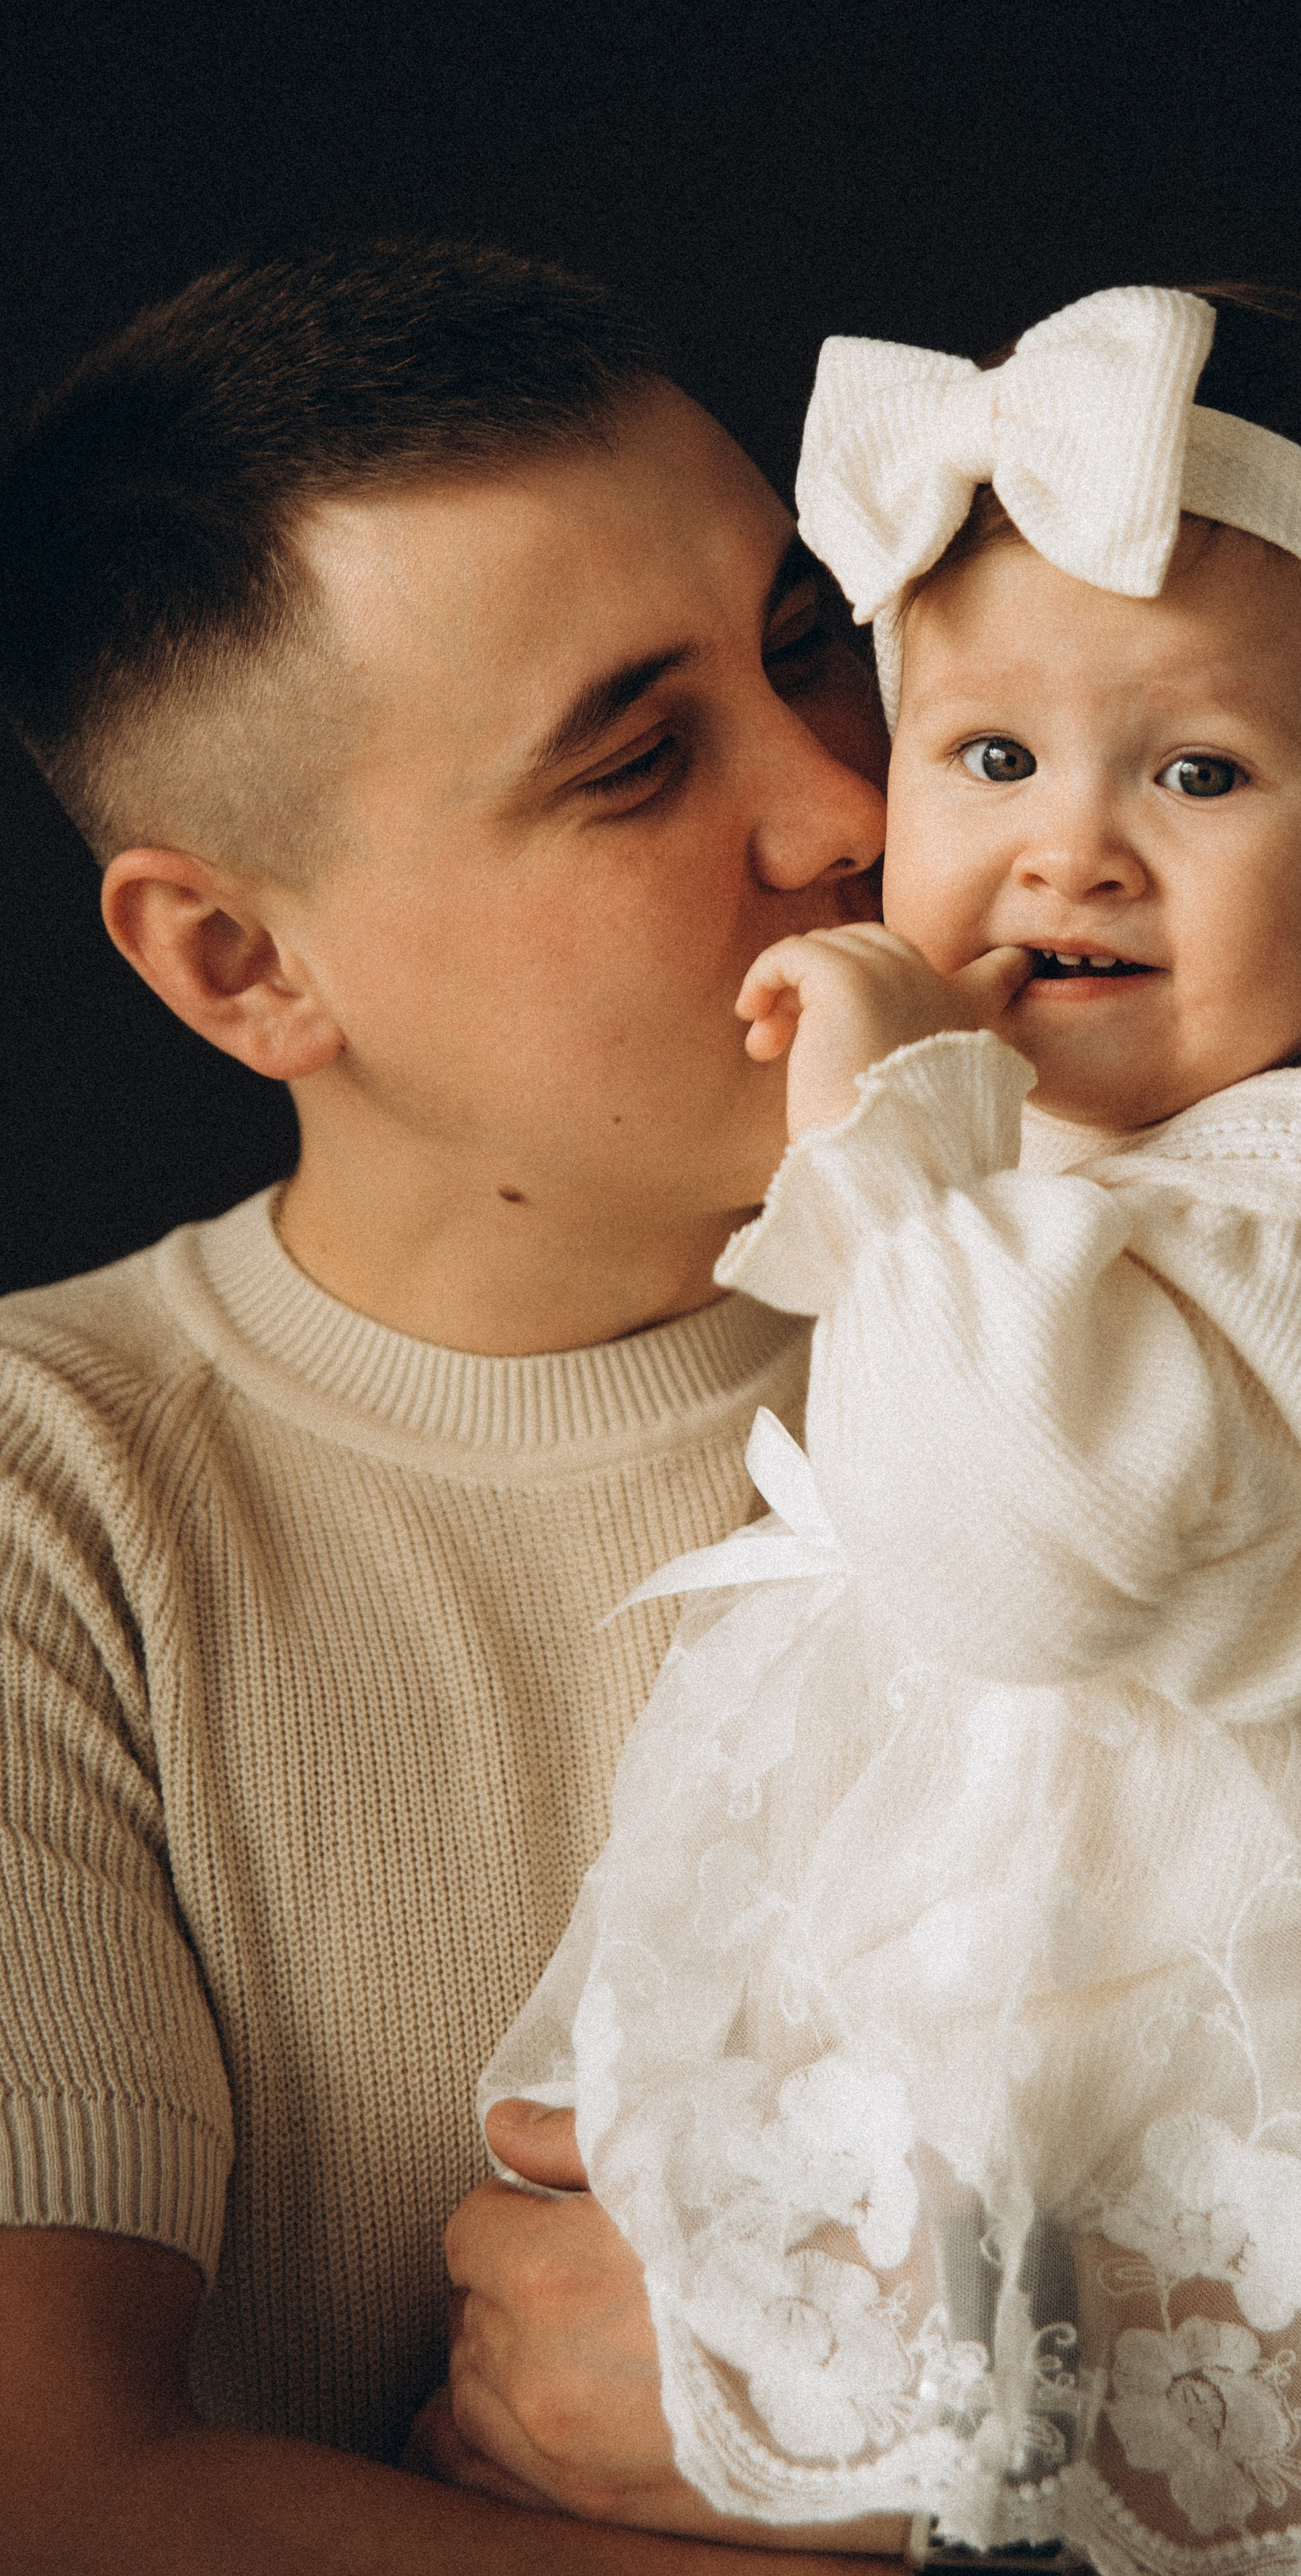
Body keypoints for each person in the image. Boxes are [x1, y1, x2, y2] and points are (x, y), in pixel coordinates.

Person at [484, 287, 1301, 2576]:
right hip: (1012, 1995)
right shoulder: (1136, 1162)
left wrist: (893, 1125)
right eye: (988, 763)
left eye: (1200, 774)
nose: (1072, 855)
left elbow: (1030, 1548)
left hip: (1264, 2030)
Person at [0, 240, 905, 2571]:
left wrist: (959, 2446)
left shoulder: (1176, 1342)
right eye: (637, 761)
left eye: (810, 644)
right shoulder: (54, 1494)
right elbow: (62, 2500)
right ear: (242, 961)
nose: (849, 813)